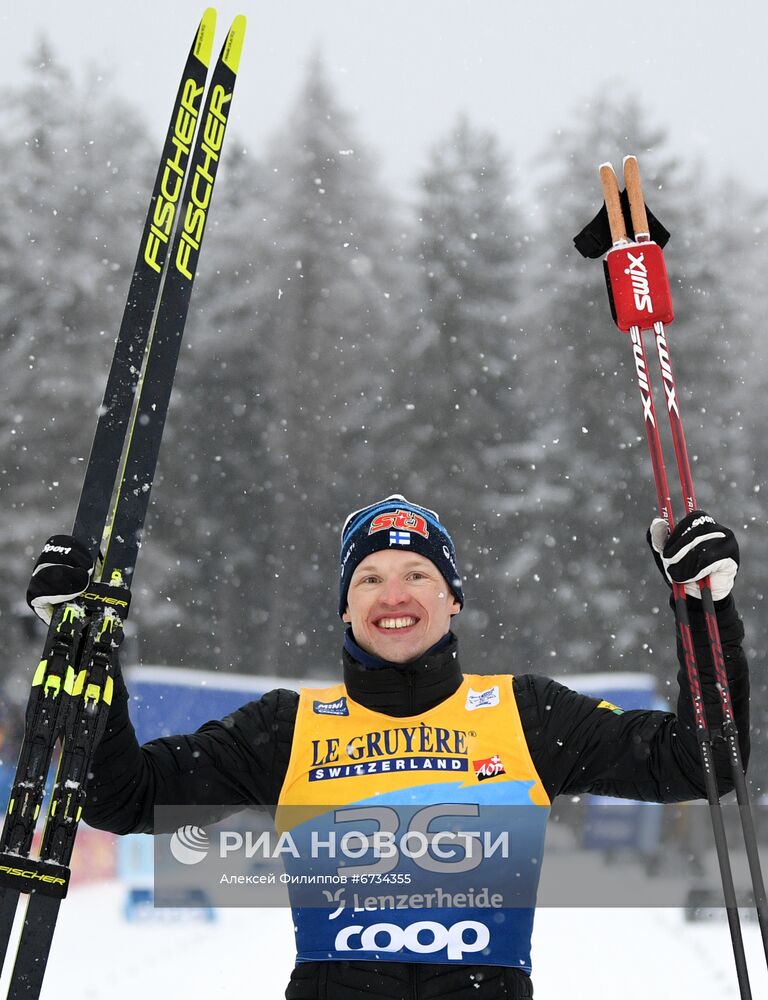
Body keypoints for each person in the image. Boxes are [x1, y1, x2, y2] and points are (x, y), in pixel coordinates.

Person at [26, 494, 748, 999]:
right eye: (368, 577)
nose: (391, 594)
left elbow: (700, 761)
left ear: (453, 597)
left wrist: (704, 610)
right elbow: (127, 797)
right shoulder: (290, 726)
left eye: (416, 575)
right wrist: (82, 645)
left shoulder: (521, 713)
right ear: (345, 604)